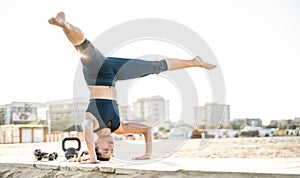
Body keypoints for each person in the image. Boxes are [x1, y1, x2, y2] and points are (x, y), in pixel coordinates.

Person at [48, 12, 216, 164]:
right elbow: (147, 129)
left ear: (96, 144)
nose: (111, 146)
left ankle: (65, 24)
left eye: (106, 149)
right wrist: (147, 154)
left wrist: (92, 157)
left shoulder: (91, 123)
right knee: (155, 66)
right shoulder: (119, 127)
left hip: (96, 73)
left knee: (84, 48)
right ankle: (195, 62)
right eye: (112, 151)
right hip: (113, 74)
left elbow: (86, 131)